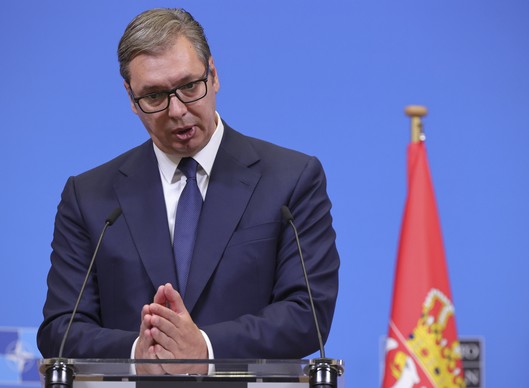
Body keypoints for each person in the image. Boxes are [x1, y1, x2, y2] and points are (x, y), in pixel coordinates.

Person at [37, 8, 340, 374]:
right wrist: (137, 352)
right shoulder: (88, 197)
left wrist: (205, 349)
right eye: (154, 96)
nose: (177, 110)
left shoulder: (291, 180)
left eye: (189, 87)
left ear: (213, 75)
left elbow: (308, 314)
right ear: (131, 99)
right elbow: (61, 330)